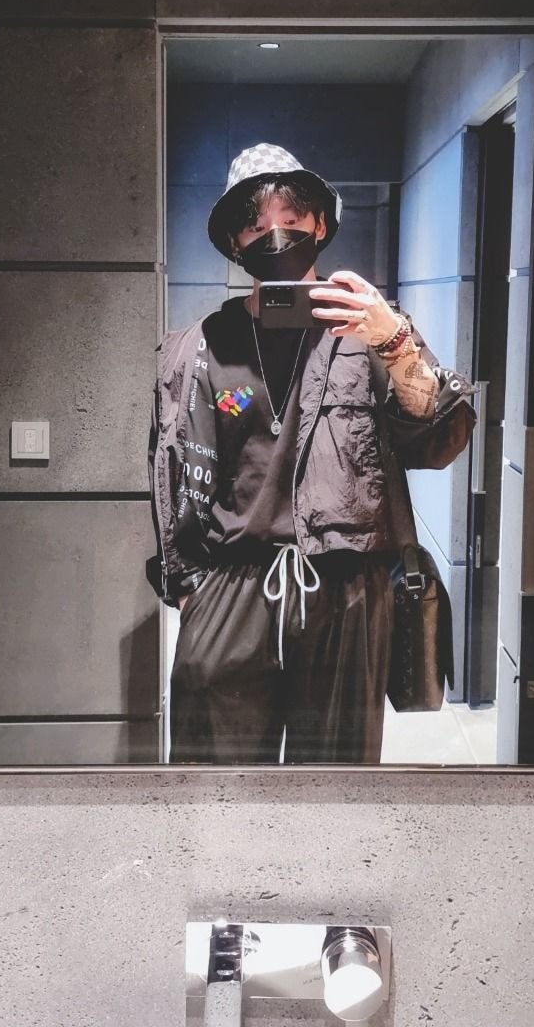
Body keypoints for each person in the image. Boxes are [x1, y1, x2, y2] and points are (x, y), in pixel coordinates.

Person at [146, 143, 476, 764]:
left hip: (346, 589)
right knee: (213, 784)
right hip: (233, 585)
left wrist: (395, 341)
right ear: (235, 242)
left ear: (320, 224)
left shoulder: (370, 332)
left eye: (292, 218)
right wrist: (192, 592)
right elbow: (169, 475)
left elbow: (440, 439)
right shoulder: (198, 348)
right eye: (255, 225)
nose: (275, 235)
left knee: (335, 789)